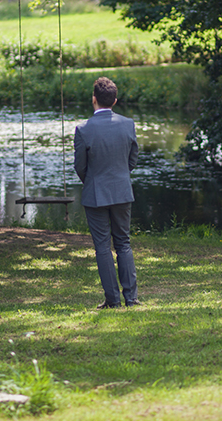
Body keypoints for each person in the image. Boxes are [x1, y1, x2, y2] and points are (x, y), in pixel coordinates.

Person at [74, 76, 141, 309]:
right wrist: (121, 175)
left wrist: (92, 181)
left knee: (102, 247)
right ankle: (131, 298)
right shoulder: (128, 124)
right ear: (114, 100)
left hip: (95, 194)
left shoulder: (83, 129)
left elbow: (79, 166)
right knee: (123, 243)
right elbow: (133, 159)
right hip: (122, 191)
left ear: (94, 99)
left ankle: (113, 300)